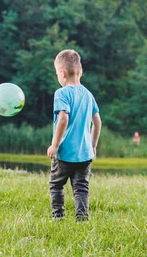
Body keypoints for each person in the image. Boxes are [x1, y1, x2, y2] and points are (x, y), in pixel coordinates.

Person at [47, 49, 102, 221]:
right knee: (81, 187)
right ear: (80, 72)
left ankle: (58, 217)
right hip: (85, 153)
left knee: (56, 185)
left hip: (65, 152)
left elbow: (63, 118)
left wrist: (55, 145)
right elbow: (97, 122)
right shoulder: (88, 94)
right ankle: (82, 218)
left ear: (62, 73)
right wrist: (93, 145)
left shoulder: (61, 93)